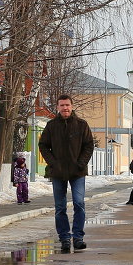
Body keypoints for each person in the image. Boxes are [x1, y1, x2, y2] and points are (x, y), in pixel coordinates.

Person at [38, 95, 95, 253]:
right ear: (57, 107)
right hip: (58, 172)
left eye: (67, 105)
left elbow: (89, 145)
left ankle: (78, 238)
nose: (65, 108)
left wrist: (81, 163)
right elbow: (43, 145)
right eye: (62, 105)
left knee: (79, 204)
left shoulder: (81, 125)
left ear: (72, 106)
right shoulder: (51, 126)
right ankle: (64, 238)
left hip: (77, 172)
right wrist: (53, 163)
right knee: (60, 207)